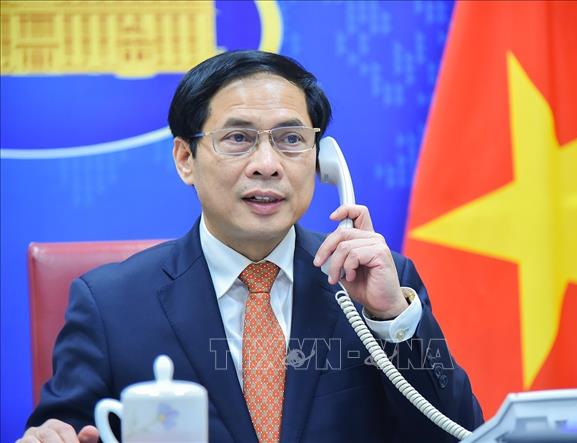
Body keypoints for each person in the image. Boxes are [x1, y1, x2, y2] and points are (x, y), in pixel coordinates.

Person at [20, 50, 483, 443]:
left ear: (321, 161)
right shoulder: (110, 304)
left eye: (291, 140)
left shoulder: (377, 286)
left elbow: (459, 434)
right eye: (238, 138)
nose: (267, 164)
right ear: (185, 159)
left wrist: (389, 319)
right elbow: (61, 429)